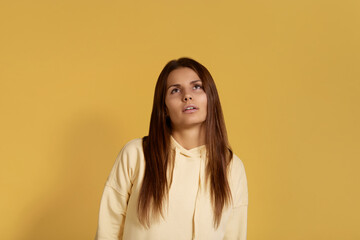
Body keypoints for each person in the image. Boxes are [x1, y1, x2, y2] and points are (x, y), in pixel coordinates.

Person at [95, 57, 248, 240]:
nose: (187, 96)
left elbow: (234, 235)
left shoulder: (231, 166)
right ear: (164, 108)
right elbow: (108, 229)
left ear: (211, 97)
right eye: (175, 90)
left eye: (197, 87)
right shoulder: (136, 154)